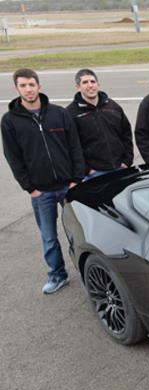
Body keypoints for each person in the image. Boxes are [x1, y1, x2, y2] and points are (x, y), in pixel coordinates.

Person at [1, 68, 84, 294]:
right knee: (49, 238)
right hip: (42, 192)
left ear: (39, 86)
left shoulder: (59, 113)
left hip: (68, 186)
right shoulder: (9, 121)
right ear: (16, 89)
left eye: (31, 85)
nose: (28, 90)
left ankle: (87, 273)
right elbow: (13, 157)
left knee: (79, 233)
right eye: (23, 86)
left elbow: (74, 147)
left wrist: (76, 180)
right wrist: (30, 188)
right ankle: (58, 275)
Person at [66, 68, 133, 179]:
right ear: (78, 87)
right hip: (94, 174)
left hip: (120, 168)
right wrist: (88, 170)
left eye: (93, 81)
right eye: (85, 82)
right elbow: (71, 146)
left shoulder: (113, 106)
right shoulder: (71, 113)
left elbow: (126, 133)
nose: (90, 85)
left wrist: (127, 160)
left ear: (98, 84)